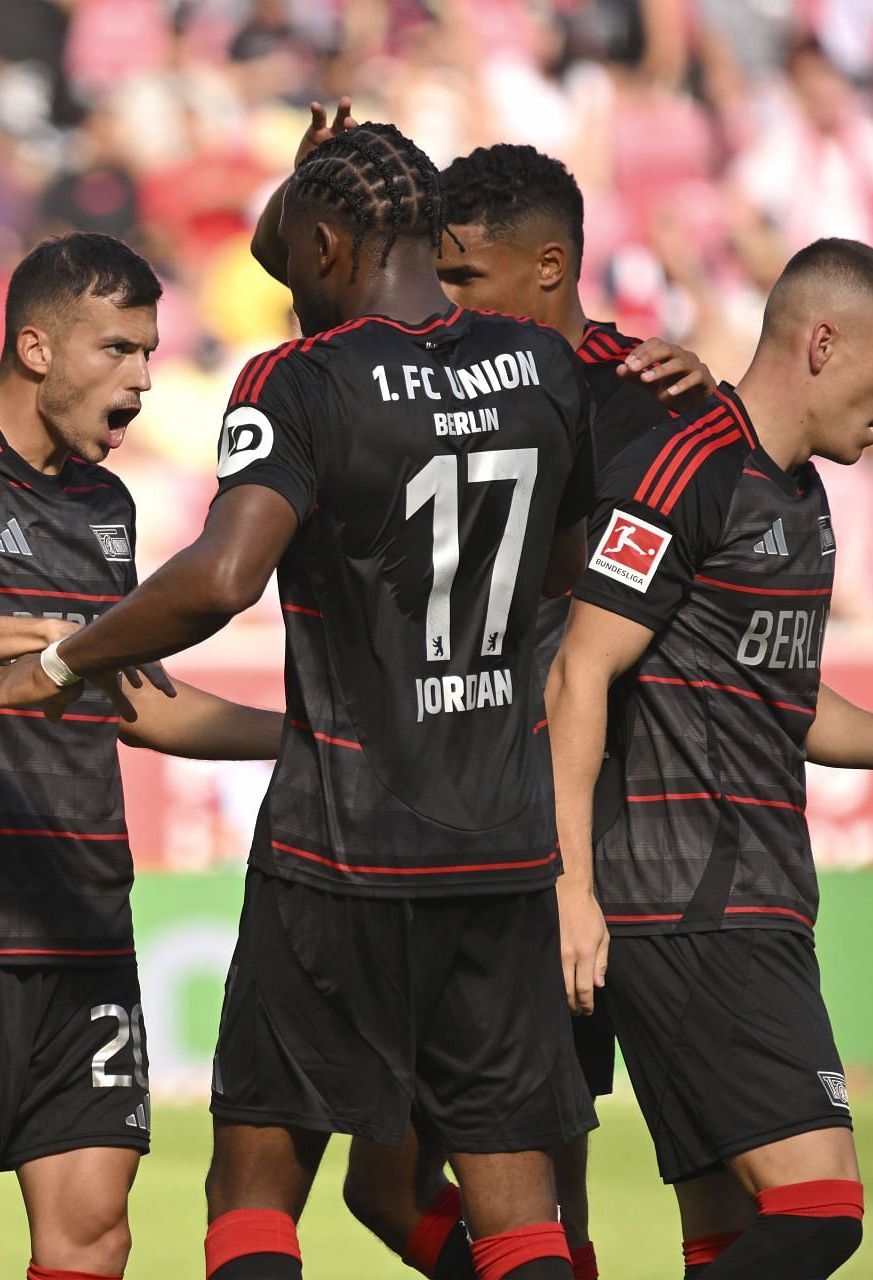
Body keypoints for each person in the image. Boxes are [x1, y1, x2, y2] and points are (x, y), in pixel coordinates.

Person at [0, 124, 597, 1280]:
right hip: (503, 852)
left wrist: (62, 661)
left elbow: (219, 577)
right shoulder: (542, 363)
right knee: (519, 1205)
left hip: (341, 849)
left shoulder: (300, 381)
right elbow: (561, 568)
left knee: (253, 1188)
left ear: (317, 240)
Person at [0, 231, 282, 1280]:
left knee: (93, 1225)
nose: (141, 380)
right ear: (36, 348)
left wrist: (312, 739)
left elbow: (139, 700)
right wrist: (47, 636)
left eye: (150, 352)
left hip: (84, 915)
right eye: (118, 350)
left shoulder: (107, 507)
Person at [547, 238, 873, 1279]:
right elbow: (582, 672)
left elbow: (780, 696)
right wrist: (572, 885)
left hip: (752, 893)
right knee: (822, 1206)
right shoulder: (689, 467)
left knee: (731, 1239)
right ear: (823, 343)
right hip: (692, 902)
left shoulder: (800, 495)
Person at [336, 139, 723, 1280]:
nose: (441, 300)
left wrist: (720, 402)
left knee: (553, 1173)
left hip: (553, 829)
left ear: (548, 268)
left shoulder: (638, 400)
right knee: (383, 1180)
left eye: (464, 279)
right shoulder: (420, 368)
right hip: (431, 807)